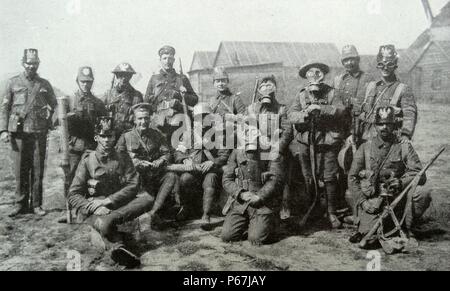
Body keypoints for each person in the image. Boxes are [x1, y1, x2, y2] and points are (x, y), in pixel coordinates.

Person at [68, 116, 153, 267]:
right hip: (96, 209)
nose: (107, 140)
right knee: (105, 224)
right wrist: (94, 206)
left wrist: (108, 201)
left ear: (115, 137)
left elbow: (133, 184)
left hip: (118, 203)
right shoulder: (88, 160)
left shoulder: (122, 156)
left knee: (147, 199)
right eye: (103, 136)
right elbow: (73, 194)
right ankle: (117, 247)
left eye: (110, 136)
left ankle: (112, 227)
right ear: (96, 137)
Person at [348, 106, 431, 249]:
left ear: (394, 125)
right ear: (375, 126)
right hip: (374, 200)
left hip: (399, 199)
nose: (384, 127)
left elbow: (420, 174)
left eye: (388, 124)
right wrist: (362, 202)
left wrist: (401, 182)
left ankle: (407, 225)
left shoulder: (404, 147)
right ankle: (367, 223)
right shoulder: (366, 147)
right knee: (369, 234)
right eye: (380, 124)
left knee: (422, 193)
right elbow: (352, 177)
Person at [288, 61, 347, 229]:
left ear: (323, 74)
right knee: (308, 176)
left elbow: (342, 111)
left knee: (329, 177)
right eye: (310, 73)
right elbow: (291, 115)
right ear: (306, 76)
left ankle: (331, 211)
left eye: (318, 72)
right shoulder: (301, 95)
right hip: (306, 141)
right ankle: (312, 208)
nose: (314, 75)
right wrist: (305, 114)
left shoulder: (332, 93)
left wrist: (322, 108)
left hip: (327, 141)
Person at [0, 49, 57, 217]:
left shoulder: (44, 84)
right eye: (28, 63)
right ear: (22, 63)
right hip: (18, 134)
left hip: (39, 133)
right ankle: (20, 204)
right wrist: (3, 130)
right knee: (20, 170)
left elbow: (55, 105)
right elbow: (4, 108)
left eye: (34, 63)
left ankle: (37, 204)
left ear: (38, 64)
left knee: (38, 169)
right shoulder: (12, 83)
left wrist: (50, 122)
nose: (31, 66)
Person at [116, 103, 178, 230]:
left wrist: (160, 161)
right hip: (134, 178)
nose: (143, 121)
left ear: (150, 119)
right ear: (134, 120)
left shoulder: (157, 135)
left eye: (146, 118)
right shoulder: (126, 136)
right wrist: (136, 162)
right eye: (140, 119)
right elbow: (118, 158)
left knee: (171, 176)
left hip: (153, 175)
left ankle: (153, 212)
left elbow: (166, 153)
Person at [221, 125, 285, 245]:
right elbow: (227, 179)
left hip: (263, 202)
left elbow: (276, 180)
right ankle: (249, 224)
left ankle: (270, 224)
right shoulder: (236, 152)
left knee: (256, 239)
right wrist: (240, 193)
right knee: (227, 236)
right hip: (242, 202)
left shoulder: (272, 151)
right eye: (245, 136)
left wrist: (260, 196)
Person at [174, 103, 231, 228]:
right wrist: (184, 160)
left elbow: (224, 154)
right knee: (185, 179)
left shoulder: (219, 134)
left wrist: (213, 162)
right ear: (194, 118)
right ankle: (186, 208)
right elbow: (179, 152)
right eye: (198, 117)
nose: (202, 120)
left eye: (205, 116)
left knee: (210, 180)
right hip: (193, 169)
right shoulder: (188, 134)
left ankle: (206, 215)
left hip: (210, 169)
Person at [360, 45, 417, 143]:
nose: (385, 68)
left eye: (389, 64)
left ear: (395, 66)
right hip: (368, 139)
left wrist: (405, 134)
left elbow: (410, 114)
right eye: (381, 64)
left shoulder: (403, 89)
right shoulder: (369, 87)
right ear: (378, 65)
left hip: (391, 140)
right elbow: (359, 112)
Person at [144, 45, 198, 144]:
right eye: (164, 58)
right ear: (160, 60)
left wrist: (179, 96)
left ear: (173, 60)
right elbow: (146, 102)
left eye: (170, 58)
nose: (167, 61)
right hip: (158, 124)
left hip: (178, 124)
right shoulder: (154, 79)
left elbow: (195, 100)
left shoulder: (182, 78)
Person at [104, 62, 143, 138]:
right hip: (110, 135)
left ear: (130, 77)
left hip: (128, 135)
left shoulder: (136, 96)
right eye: (120, 75)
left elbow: (140, 119)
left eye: (127, 75)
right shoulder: (108, 95)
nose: (124, 78)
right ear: (116, 76)